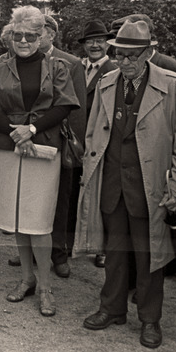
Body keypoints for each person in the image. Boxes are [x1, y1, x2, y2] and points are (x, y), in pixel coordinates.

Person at [77, 20, 176, 349]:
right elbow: (92, 133)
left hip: (149, 186)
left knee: (150, 257)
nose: (125, 62)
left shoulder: (172, 86)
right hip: (112, 184)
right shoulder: (106, 82)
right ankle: (111, 309)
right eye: (120, 55)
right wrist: (90, 169)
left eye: (132, 56)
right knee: (114, 252)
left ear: (149, 53)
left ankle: (150, 319)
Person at [0, 6, 79, 316]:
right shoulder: (0, 68)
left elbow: (64, 106)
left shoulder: (58, 67)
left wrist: (32, 129)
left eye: (30, 36)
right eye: (17, 35)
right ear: (10, 37)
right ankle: (26, 278)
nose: (23, 40)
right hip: (12, 147)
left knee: (38, 222)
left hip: (44, 148)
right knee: (18, 220)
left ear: (41, 37)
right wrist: (15, 134)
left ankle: (45, 286)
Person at [37, 15, 87, 279]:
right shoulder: (22, 60)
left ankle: (58, 255)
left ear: (52, 35)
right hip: (33, 143)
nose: (32, 37)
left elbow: (77, 109)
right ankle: (33, 251)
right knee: (34, 200)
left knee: (60, 201)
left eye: (38, 31)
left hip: (60, 142)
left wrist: (75, 148)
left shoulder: (71, 63)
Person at [79, 19, 117, 269]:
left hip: (101, 142)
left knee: (104, 197)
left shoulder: (113, 70)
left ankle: (103, 249)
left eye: (100, 41)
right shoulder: (76, 68)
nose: (95, 45)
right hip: (77, 140)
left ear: (108, 44)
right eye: (90, 41)